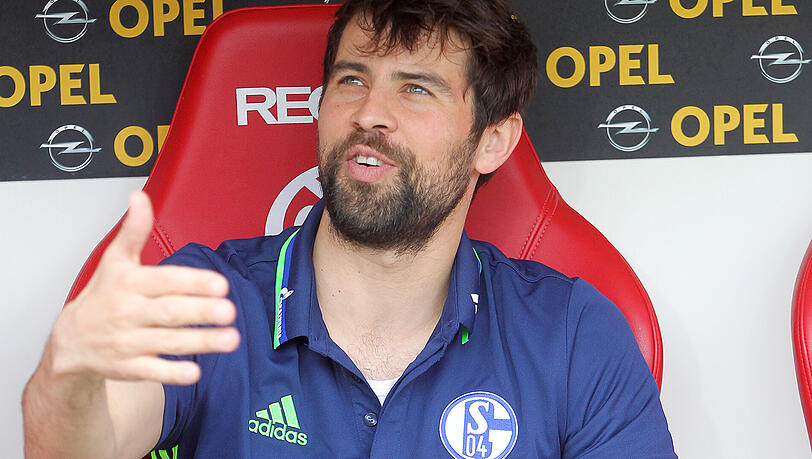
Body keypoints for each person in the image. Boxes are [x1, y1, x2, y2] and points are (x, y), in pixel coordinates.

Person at [23, 0, 676, 457]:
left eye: (415, 89)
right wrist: (68, 375)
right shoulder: (204, 297)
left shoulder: (572, 333)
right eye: (351, 79)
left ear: (493, 141)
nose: (369, 113)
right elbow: (83, 445)